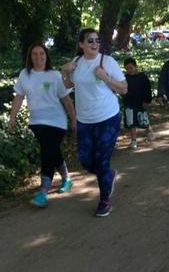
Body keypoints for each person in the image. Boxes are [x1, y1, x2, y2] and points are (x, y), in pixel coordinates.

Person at [61, 28, 128, 217]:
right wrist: (64, 73)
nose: (95, 44)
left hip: (108, 118)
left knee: (101, 159)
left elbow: (124, 89)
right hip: (85, 121)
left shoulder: (107, 62)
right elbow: (68, 85)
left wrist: (105, 77)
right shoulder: (76, 63)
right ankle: (109, 175)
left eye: (97, 40)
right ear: (81, 44)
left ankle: (104, 200)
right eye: (90, 40)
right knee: (86, 161)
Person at [8, 43, 76, 208]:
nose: (38, 57)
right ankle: (67, 178)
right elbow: (19, 97)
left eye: (42, 54)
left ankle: (44, 191)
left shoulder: (55, 75)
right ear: (30, 57)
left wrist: (74, 120)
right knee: (52, 150)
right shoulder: (25, 74)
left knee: (47, 151)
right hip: (36, 122)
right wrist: (12, 117)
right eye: (34, 54)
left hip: (56, 121)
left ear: (46, 56)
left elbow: (66, 100)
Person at [122, 58, 155, 149]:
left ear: (135, 67)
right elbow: (122, 90)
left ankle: (149, 130)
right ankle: (134, 140)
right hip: (129, 103)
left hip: (141, 103)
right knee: (131, 122)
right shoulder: (125, 78)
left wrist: (147, 101)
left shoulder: (142, 77)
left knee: (143, 120)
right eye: (127, 69)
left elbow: (147, 90)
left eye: (131, 68)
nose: (129, 70)